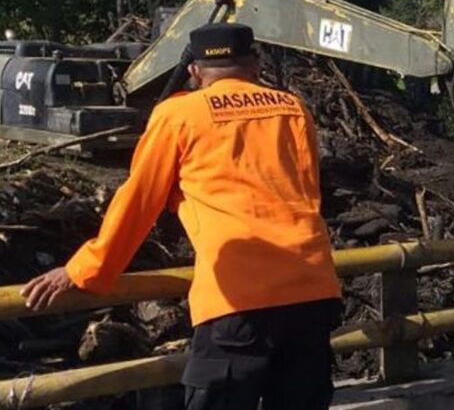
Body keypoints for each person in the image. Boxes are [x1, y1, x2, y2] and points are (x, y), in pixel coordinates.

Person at [21, 23, 343, 410]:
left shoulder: (179, 114)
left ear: (194, 70)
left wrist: (85, 269)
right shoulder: (292, 108)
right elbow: (306, 191)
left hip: (238, 297)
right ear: (255, 63)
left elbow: (139, 200)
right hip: (313, 288)